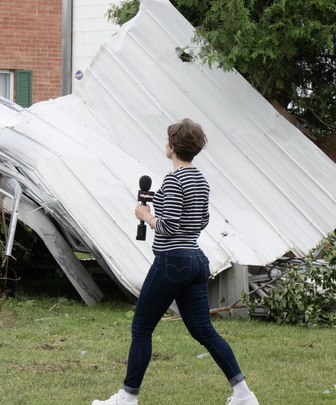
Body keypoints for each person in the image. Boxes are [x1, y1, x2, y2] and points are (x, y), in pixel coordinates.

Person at [92, 119, 259, 405]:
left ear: (171, 147)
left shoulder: (173, 180)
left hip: (172, 261)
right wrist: (159, 205)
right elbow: (201, 219)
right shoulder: (200, 180)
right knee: (204, 331)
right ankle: (244, 395)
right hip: (196, 260)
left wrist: (146, 217)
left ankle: (127, 398)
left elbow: (168, 226)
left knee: (142, 329)